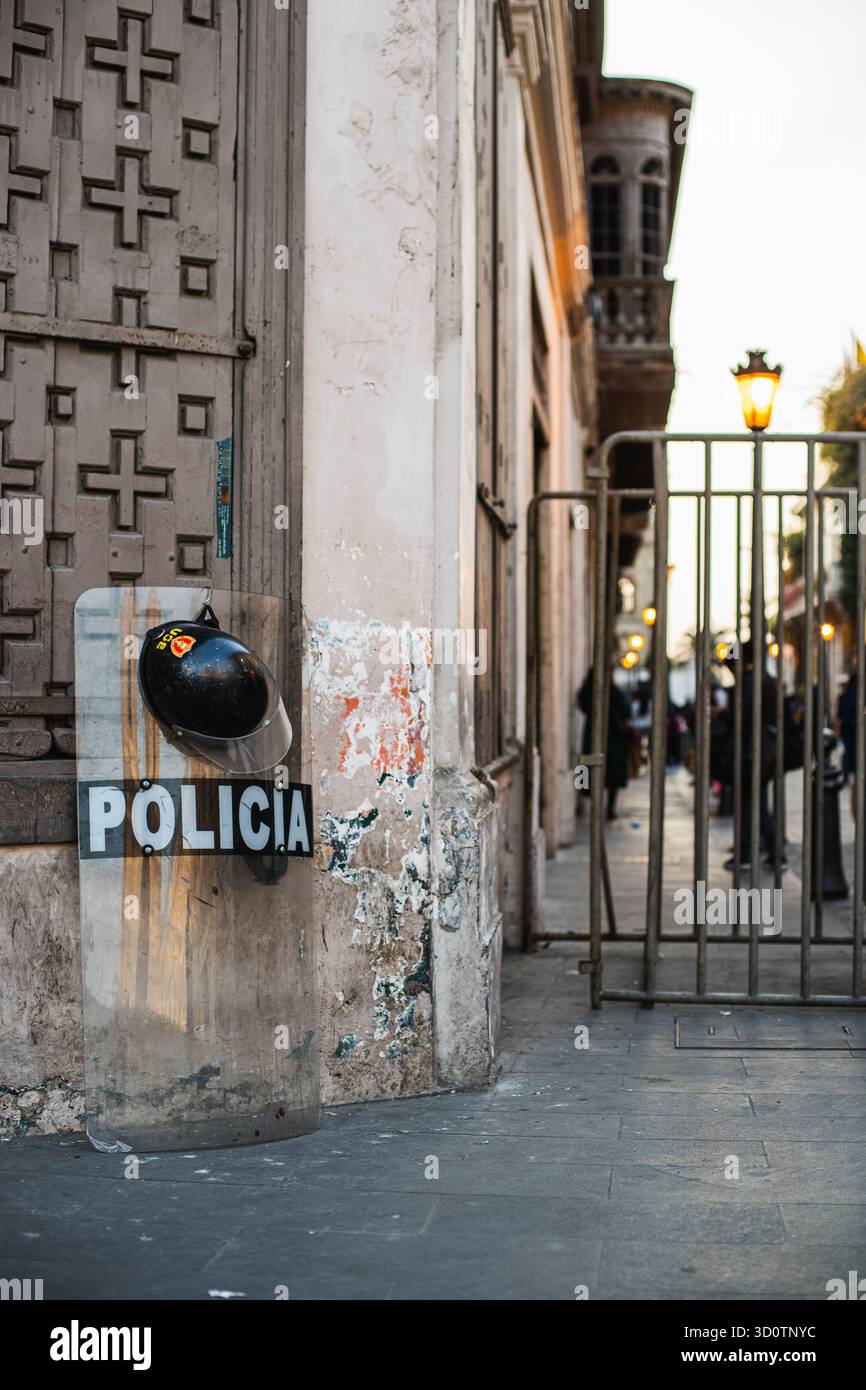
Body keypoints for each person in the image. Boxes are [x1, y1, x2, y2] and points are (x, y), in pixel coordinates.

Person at [722, 640, 780, 871]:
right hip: (762, 750)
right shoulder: (765, 679)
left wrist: (724, 714)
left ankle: (748, 854)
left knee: (748, 803)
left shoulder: (750, 683)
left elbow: (741, 716)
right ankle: (772, 854)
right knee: (755, 802)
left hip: (751, 751)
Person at [577, 667, 632, 820]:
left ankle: (600, 806)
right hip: (604, 738)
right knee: (590, 769)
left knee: (596, 770)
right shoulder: (605, 691)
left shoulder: (607, 692)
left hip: (605, 738)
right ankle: (598, 806)